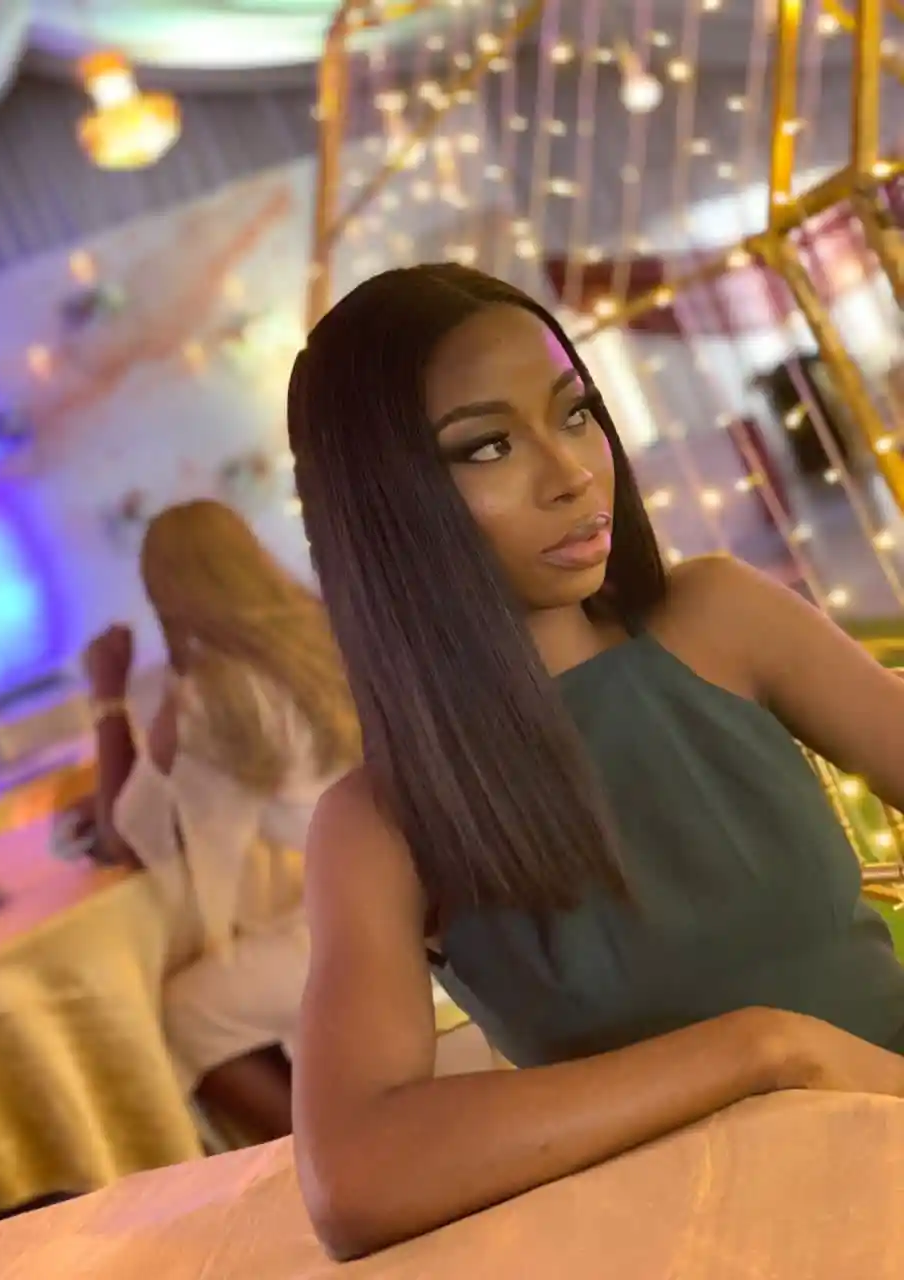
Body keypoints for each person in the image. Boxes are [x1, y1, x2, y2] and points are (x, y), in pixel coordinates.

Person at [284, 263, 904, 1260]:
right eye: (489, 445)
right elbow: (354, 1174)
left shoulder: (720, 616)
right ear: (383, 505)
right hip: (703, 1239)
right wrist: (764, 1049)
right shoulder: (380, 823)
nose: (572, 471)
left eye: (575, 413)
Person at [82, 499, 359, 1142]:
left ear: (168, 598)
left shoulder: (210, 696)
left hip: (344, 925)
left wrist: (106, 695)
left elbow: (125, 838)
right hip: (415, 888)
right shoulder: (329, 634)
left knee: (186, 1012)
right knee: (226, 987)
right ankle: (341, 1133)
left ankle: (329, 1155)